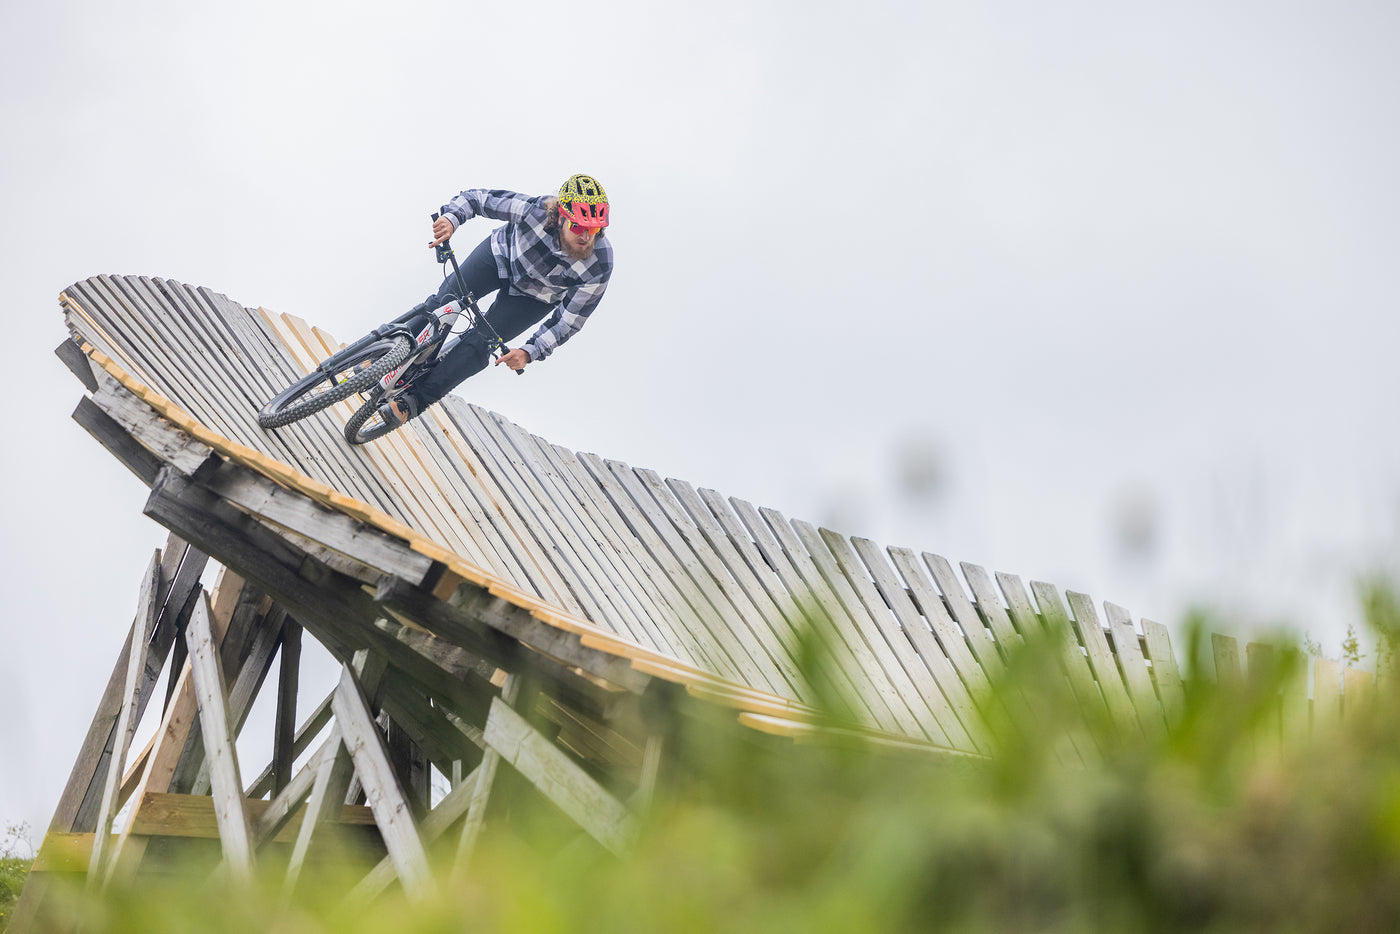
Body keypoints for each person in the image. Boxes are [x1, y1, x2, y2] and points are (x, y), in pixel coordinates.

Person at [378, 173, 613, 427]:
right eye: (578, 227)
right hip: (499, 257)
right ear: (560, 217)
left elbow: (568, 322)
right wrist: (451, 218)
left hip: (534, 298)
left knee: (480, 347)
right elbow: (478, 199)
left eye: (595, 230)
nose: (586, 237)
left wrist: (529, 352)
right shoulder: (535, 211)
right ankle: (381, 354)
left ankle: (411, 403)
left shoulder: (599, 264)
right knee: (442, 304)